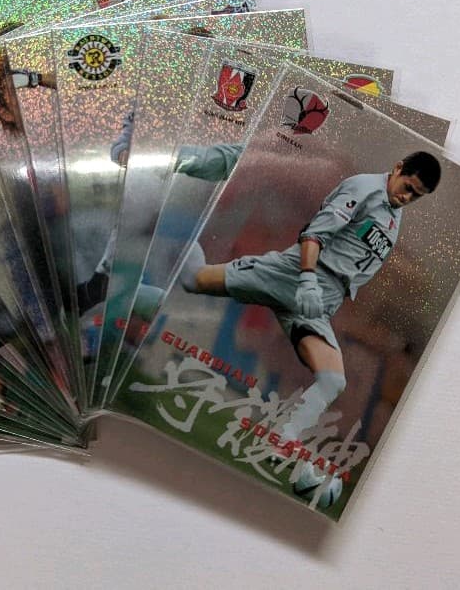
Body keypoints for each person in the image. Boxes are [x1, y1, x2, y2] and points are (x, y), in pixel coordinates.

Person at [176, 150, 442, 444]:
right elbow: (316, 235)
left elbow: (362, 271)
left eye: (416, 195)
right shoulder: (358, 187)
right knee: (199, 279)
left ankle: (287, 437)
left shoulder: (391, 221)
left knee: (332, 380)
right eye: (408, 187)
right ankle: (188, 240)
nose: (407, 196)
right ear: (398, 168)